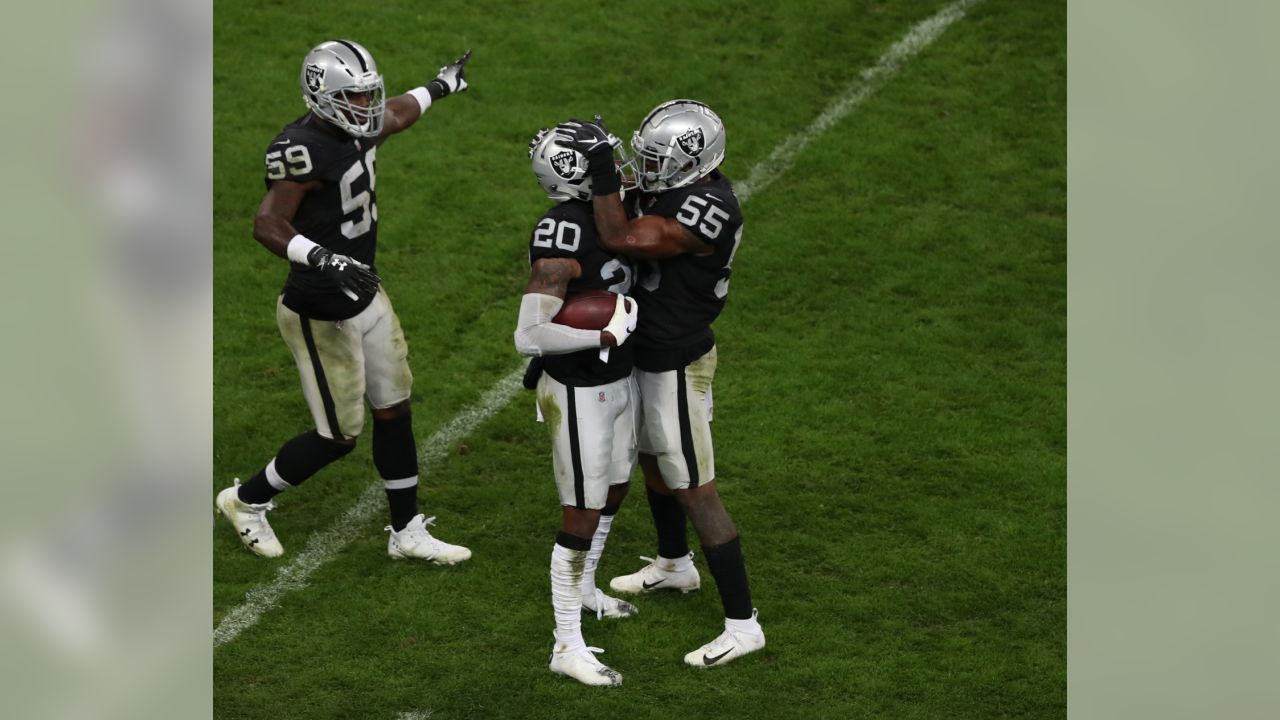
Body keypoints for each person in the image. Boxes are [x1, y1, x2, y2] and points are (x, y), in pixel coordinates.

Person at [215, 40, 473, 564]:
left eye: (368, 94)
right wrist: (322, 258)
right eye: (355, 98)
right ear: (321, 95)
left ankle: (406, 532)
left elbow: (398, 113)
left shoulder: (360, 124)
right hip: (318, 308)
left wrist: (441, 85)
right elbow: (267, 223)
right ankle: (245, 501)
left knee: (395, 409)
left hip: (364, 291)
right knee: (338, 436)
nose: (368, 107)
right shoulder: (301, 147)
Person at [557, 101, 766, 668]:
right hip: (647, 353)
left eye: (656, 160)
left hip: (675, 359)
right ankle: (675, 564)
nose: (645, 169)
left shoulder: (710, 206)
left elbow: (625, 238)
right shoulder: (673, 183)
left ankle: (743, 624)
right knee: (654, 463)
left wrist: (603, 173)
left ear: (691, 162)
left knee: (695, 485)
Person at [513, 127, 642, 687]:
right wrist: (602, 335)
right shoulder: (562, 228)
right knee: (581, 513)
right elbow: (529, 334)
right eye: (602, 161)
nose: (615, 167)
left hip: (620, 377)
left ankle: (587, 589)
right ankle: (566, 644)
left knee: (616, 488)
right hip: (576, 387)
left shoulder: (612, 210)